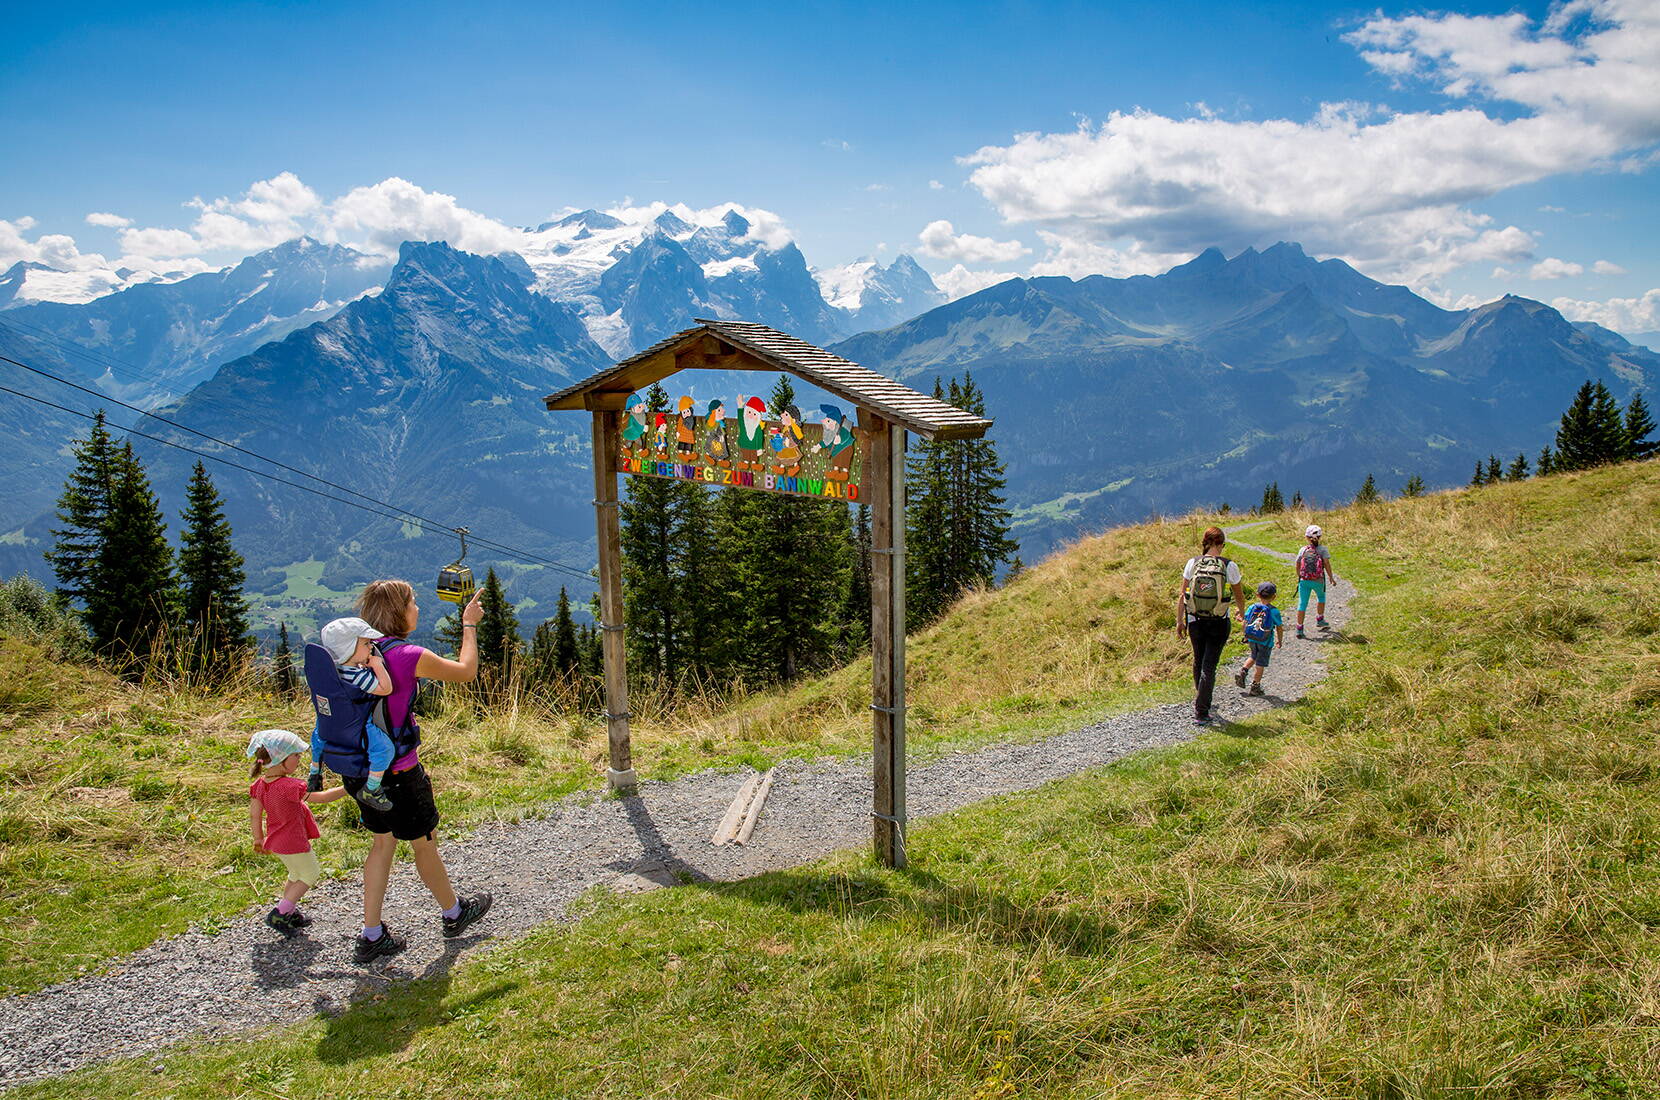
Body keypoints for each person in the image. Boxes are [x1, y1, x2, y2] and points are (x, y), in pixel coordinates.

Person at [348, 579, 493, 963]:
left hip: (362, 770)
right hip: (398, 771)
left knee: (381, 844)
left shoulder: (358, 651)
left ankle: (372, 933)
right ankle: (454, 913)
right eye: (413, 603)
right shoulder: (407, 654)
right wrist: (469, 624)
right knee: (423, 842)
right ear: (399, 611)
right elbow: (465, 671)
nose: (418, 609)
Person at [247, 729, 350, 936]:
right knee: (311, 873)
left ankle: (289, 912)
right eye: (295, 755)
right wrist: (349, 788)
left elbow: (255, 815)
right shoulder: (290, 786)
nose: (299, 759)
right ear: (280, 759)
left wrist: (258, 838)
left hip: (276, 842)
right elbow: (321, 797)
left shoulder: (259, 785)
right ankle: (280, 913)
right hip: (293, 840)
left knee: (295, 874)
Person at [308, 616, 395, 812]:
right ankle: (371, 789)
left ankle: (314, 773)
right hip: (358, 725)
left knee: (318, 738)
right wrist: (377, 665)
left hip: (330, 725)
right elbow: (385, 688)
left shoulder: (331, 672)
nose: (371, 647)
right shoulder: (357, 675)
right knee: (384, 750)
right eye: (366, 643)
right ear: (348, 648)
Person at [1175, 526, 1247, 725]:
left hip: (1195, 620)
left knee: (1199, 660)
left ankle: (1201, 698)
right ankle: (1201, 711)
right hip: (1219, 621)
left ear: (1205, 543)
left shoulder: (1193, 563)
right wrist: (1242, 614)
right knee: (1210, 664)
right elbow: (1239, 596)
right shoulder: (1228, 566)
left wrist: (1179, 621)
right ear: (1221, 544)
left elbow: (1183, 595)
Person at [1233, 581, 1285, 696]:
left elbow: (1245, 622)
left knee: (1253, 656)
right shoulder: (1274, 611)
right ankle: (1255, 686)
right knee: (1260, 663)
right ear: (1274, 596)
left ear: (1257, 595)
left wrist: (1245, 635)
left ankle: (1243, 671)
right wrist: (1280, 640)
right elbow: (1279, 628)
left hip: (1252, 638)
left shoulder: (1252, 607)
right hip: (1265, 641)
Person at [1293, 524, 1338, 638]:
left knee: (1302, 603)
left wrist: (1300, 576)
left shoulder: (1303, 550)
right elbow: (1326, 564)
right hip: (1318, 580)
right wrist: (1331, 577)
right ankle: (1320, 619)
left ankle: (1299, 628)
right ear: (1320, 536)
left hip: (1304, 580)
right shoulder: (1323, 549)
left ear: (1306, 537)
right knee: (1321, 598)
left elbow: (1298, 563)